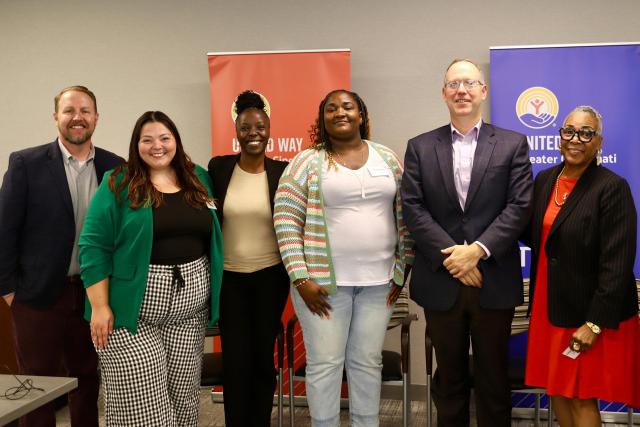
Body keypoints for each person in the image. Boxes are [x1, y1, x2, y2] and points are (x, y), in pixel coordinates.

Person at [401, 59, 533, 427]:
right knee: (449, 380)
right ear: (444, 93)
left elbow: (520, 205)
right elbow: (413, 208)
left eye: (469, 83)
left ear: (483, 91)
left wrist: (475, 252)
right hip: (441, 282)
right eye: (454, 83)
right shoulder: (420, 147)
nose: (462, 90)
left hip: (493, 278)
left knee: (493, 379)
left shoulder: (511, 144)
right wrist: (453, 260)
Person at [274, 89, 413, 426]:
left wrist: (402, 269)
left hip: (379, 284)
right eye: (331, 108)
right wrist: (301, 278)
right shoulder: (306, 161)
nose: (340, 113)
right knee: (325, 364)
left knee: (367, 362)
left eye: (348, 107)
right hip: (321, 287)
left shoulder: (388, 158)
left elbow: (406, 215)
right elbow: (285, 219)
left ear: (361, 115)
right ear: (322, 119)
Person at [78, 111, 223, 426]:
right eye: (148, 140)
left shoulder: (198, 177)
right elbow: (93, 246)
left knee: (184, 404)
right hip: (130, 314)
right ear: (137, 145)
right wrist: (100, 306)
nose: (157, 146)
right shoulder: (118, 182)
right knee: (142, 409)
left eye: (164, 138)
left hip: (189, 315)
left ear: (175, 141)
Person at [0, 85, 123, 426]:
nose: (77, 117)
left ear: (96, 117)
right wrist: (10, 291)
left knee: (87, 377)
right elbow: (4, 231)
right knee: (36, 383)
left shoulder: (117, 168)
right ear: (56, 117)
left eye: (85, 110)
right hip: (37, 296)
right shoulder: (26, 163)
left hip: (92, 294)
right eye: (69, 111)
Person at [523, 106, 640, 427]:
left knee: (581, 395)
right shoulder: (546, 179)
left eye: (586, 133)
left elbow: (617, 263)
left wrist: (595, 323)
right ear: (560, 136)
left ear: (598, 141)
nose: (576, 139)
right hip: (551, 307)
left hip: (585, 312)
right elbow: (527, 231)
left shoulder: (612, 187)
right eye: (569, 131)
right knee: (558, 390)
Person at [208, 90, 289, 426]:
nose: (253, 133)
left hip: (270, 277)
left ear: (269, 130)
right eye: (245, 127)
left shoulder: (283, 171)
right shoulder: (219, 168)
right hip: (230, 281)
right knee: (236, 363)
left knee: (261, 361)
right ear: (236, 131)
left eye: (260, 127)